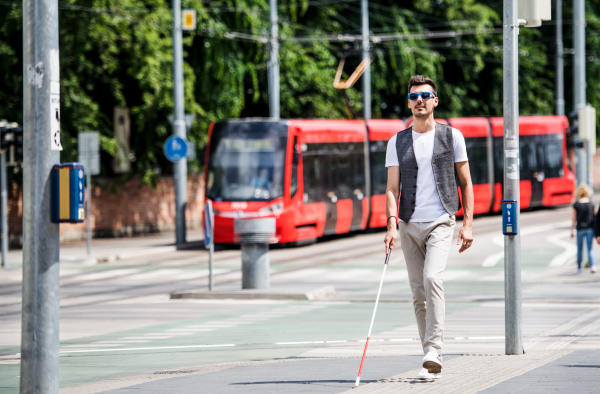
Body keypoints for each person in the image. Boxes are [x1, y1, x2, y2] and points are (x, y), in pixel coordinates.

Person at [383, 75, 474, 380]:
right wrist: (391, 225)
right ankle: (429, 356)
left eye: (425, 95)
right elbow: (391, 188)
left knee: (432, 278)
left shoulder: (452, 137)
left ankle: (434, 348)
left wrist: (468, 224)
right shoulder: (397, 141)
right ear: (408, 103)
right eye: (413, 96)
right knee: (417, 292)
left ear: (435, 101)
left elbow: (465, 183)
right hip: (409, 223)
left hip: (441, 219)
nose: (419, 100)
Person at [572, 184, 596, 274]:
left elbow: (574, 219)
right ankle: (593, 266)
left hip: (580, 229)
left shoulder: (576, 204)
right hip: (590, 228)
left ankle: (579, 267)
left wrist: (571, 230)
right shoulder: (591, 204)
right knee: (590, 248)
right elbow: (595, 217)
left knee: (579, 249)